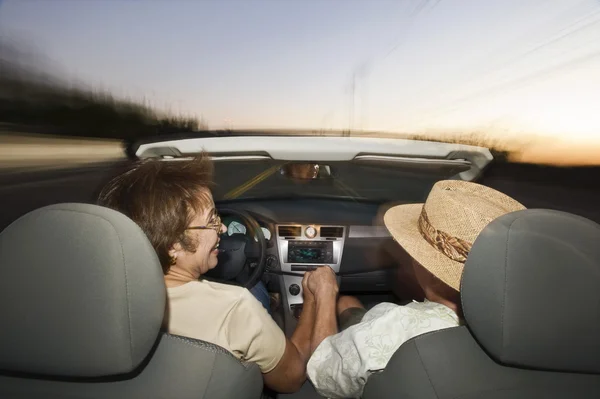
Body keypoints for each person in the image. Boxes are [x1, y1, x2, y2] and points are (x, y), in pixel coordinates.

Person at [98, 154, 339, 393]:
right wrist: (314, 298)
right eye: (212, 220)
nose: (222, 228)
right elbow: (293, 377)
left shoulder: (97, 303)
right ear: (173, 246)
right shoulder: (234, 308)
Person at [306, 180, 526, 398]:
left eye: (416, 251)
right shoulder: (534, 333)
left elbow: (322, 372)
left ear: (433, 271)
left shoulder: (398, 330)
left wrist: (324, 293)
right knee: (348, 304)